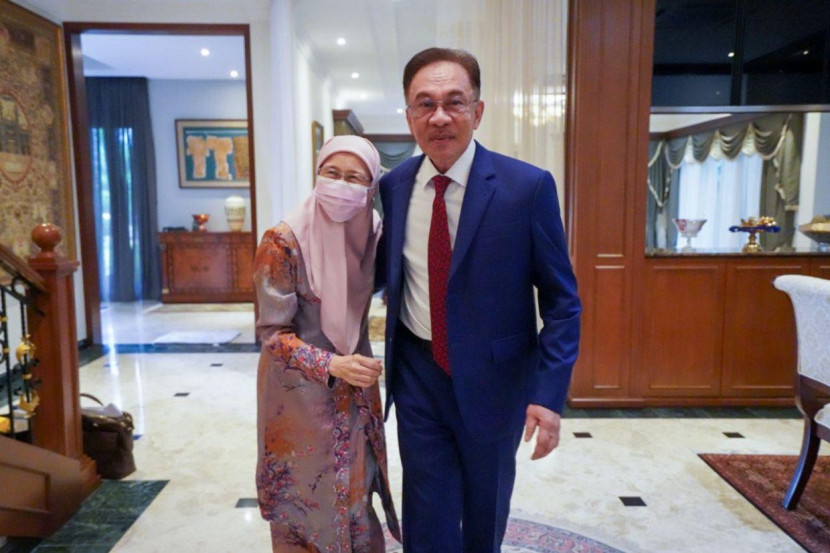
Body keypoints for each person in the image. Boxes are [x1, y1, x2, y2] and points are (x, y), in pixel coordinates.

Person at [378, 47, 582, 552]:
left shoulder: (526, 188)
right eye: (425, 104)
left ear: (478, 110)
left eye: (454, 101)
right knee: (426, 513)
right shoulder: (394, 187)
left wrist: (548, 395)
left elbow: (562, 302)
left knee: (484, 511)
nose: (439, 116)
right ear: (409, 115)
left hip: (497, 381)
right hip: (418, 374)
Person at [255, 135, 400, 552]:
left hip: (356, 385)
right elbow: (272, 334)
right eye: (331, 173)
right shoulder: (282, 242)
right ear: (316, 174)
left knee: (357, 490)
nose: (341, 185)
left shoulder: (373, 233)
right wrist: (331, 365)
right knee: (305, 501)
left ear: (371, 188)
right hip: (297, 395)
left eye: (355, 178)